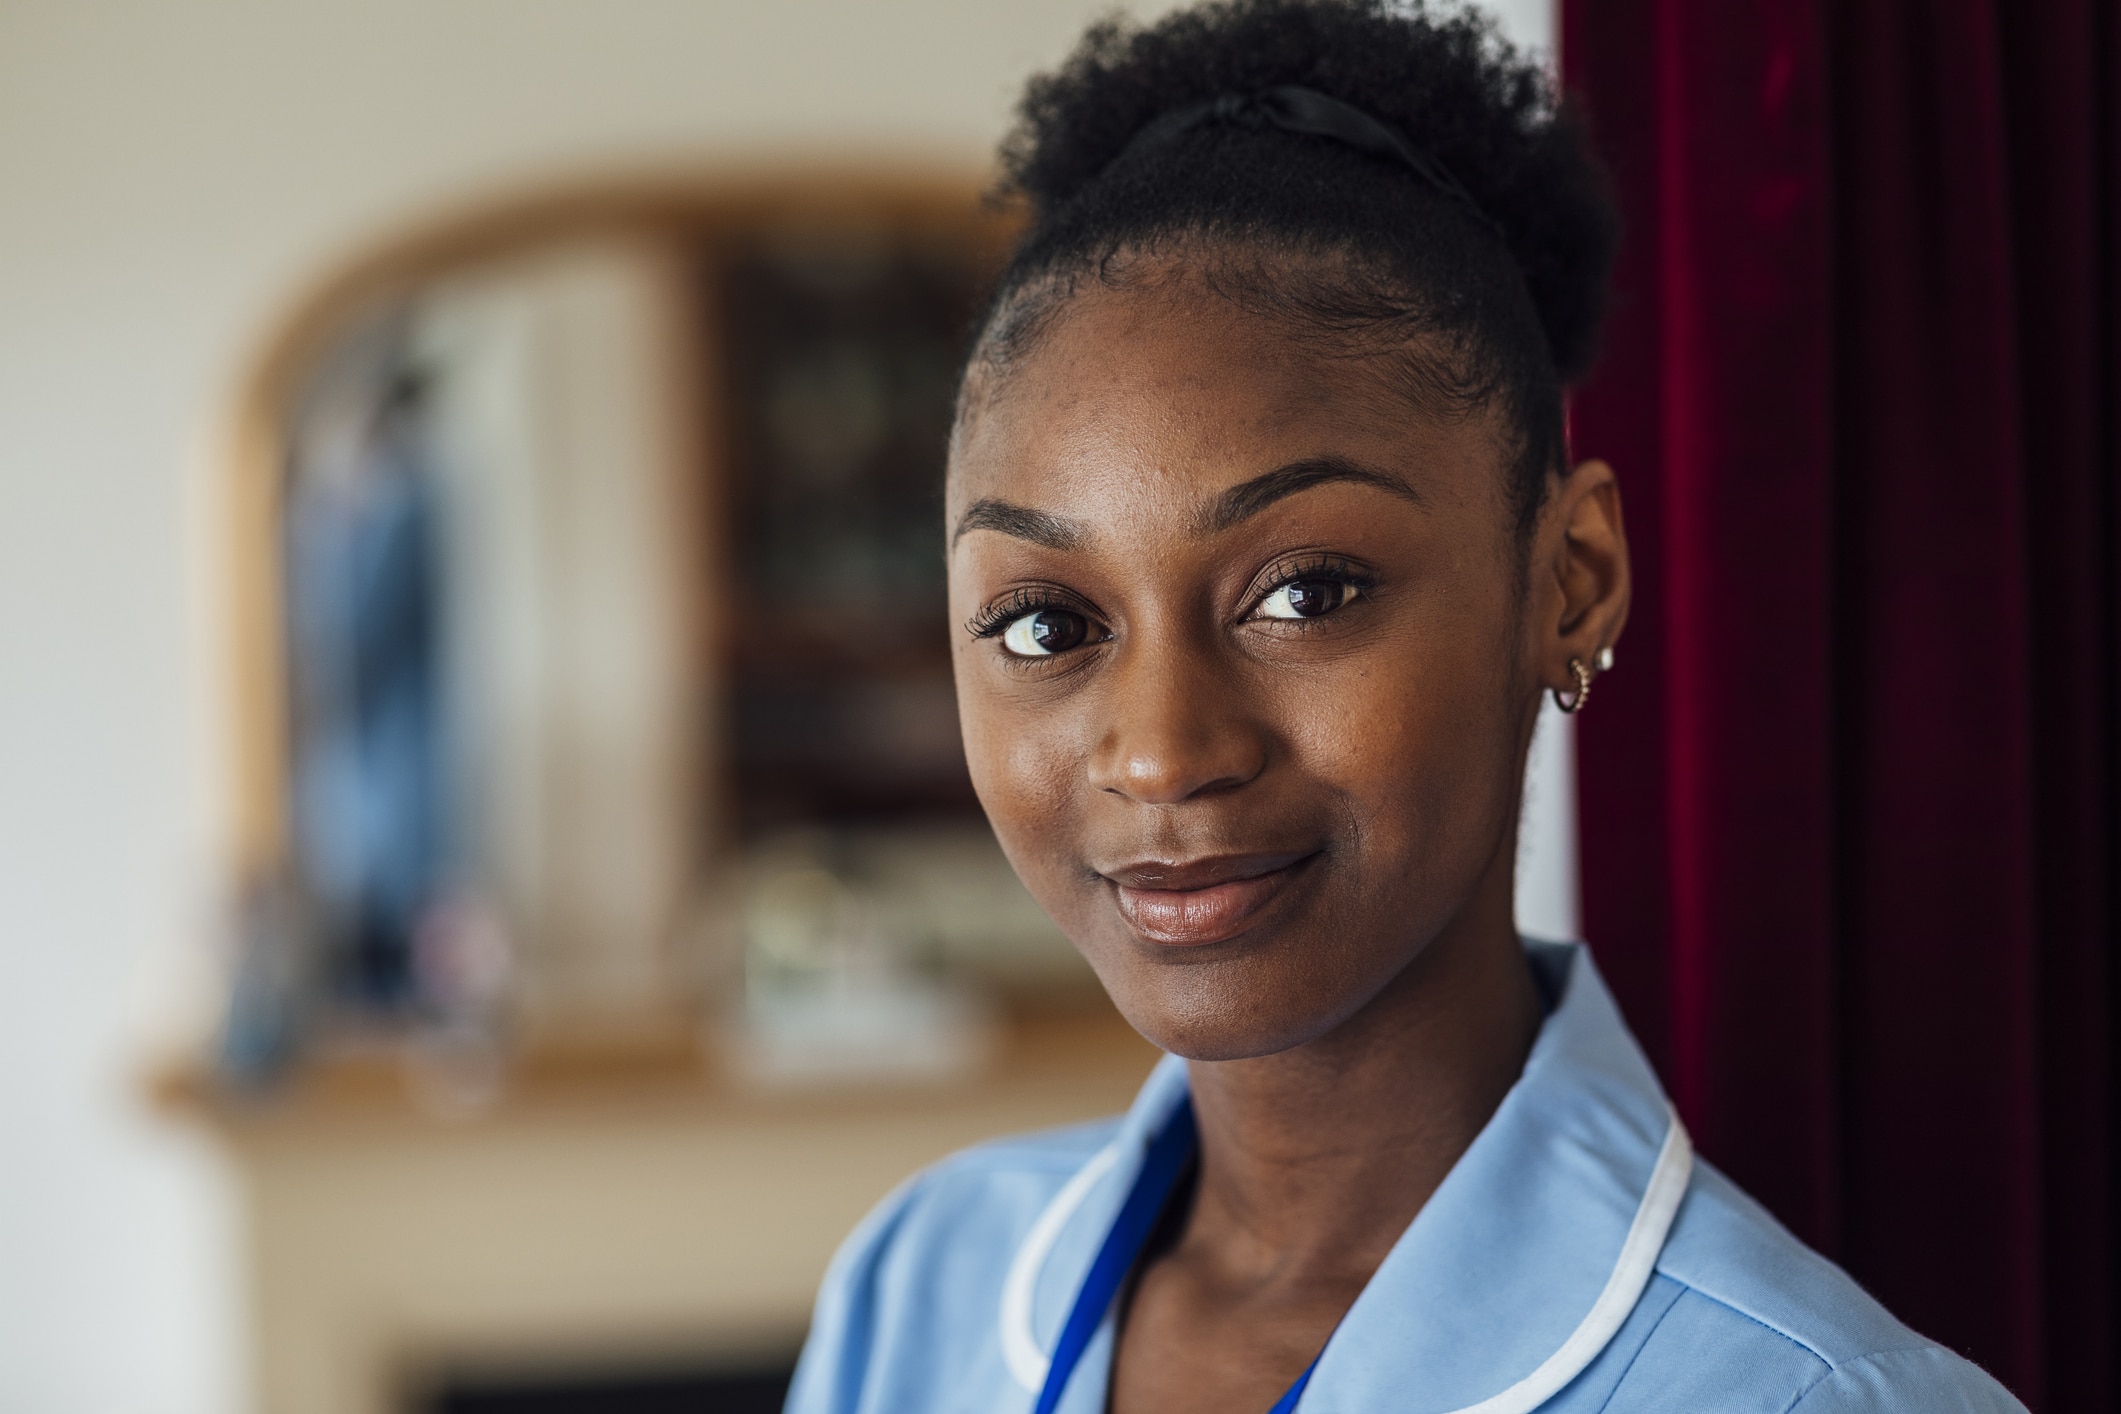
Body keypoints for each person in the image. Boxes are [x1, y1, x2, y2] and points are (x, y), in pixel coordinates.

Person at [785, 3, 2024, 1410]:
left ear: (1568, 580)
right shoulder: (923, 1280)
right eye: (1044, 622)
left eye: (1303, 592)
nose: (1161, 750)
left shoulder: (1806, 1394)